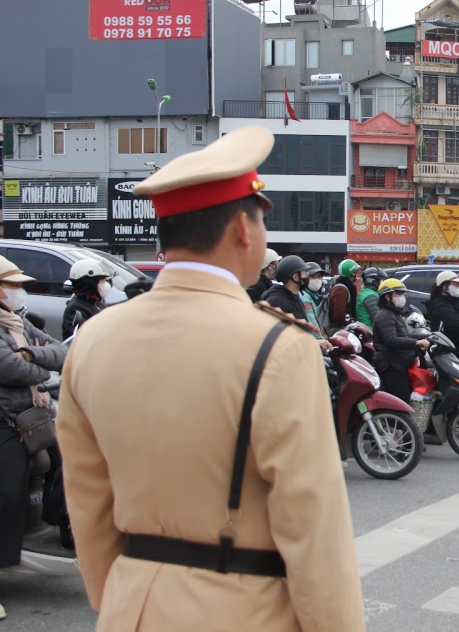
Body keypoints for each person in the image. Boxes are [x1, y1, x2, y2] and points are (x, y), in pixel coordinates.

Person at [55, 126, 365, 630]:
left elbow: (87, 499)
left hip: (129, 609)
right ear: (242, 229)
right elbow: (313, 528)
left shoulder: (94, 338)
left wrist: (122, 597)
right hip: (242, 611)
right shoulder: (278, 347)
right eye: (262, 219)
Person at [0, 256, 68, 621]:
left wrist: (30, 353)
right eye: (12, 285)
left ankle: (62, 531)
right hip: (6, 421)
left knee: (65, 468)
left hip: (33, 416)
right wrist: (40, 365)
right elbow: (8, 367)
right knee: (7, 494)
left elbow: (61, 350)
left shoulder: (16, 321)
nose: (19, 291)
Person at [372, 278, 430, 403]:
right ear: (387, 297)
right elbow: (391, 340)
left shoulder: (394, 314)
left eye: (402, 293)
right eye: (398, 293)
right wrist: (417, 343)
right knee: (402, 401)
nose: (402, 297)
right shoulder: (385, 315)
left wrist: (427, 336)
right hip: (391, 364)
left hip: (399, 362)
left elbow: (405, 336)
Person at [62, 259, 111, 340]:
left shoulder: (97, 302)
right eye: (102, 280)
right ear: (89, 282)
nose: (106, 284)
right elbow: (78, 340)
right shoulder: (75, 309)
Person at [299, 262, 328, 339]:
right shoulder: (304, 296)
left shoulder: (314, 295)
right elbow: (311, 321)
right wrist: (320, 338)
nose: (317, 280)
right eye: (312, 276)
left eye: (319, 277)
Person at [328, 259, 359, 331]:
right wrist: (351, 322)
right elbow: (339, 314)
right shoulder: (341, 290)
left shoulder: (345, 287)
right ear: (353, 273)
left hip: (343, 328)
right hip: (339, 329)